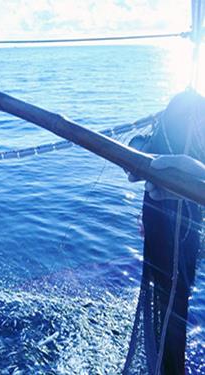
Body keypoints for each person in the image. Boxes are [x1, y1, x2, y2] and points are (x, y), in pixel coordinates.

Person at [124, 90, 204, 375]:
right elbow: (133, 157)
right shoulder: (177, 137)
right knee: (171, 299)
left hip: (181, 230)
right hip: (171, 230)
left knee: (172, 298)